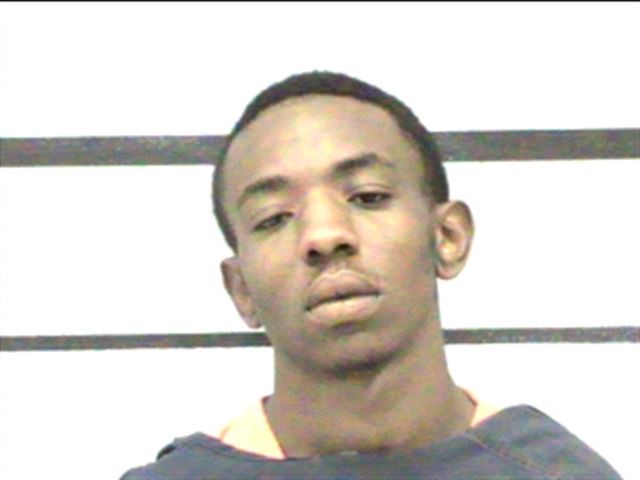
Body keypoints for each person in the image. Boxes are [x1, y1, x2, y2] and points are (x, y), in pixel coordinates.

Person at [122, 72, 621, 478]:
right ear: (241, 289)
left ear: (447, 236)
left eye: (368, 197)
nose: (324, 235)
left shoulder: (558, 473)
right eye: (273, 218)